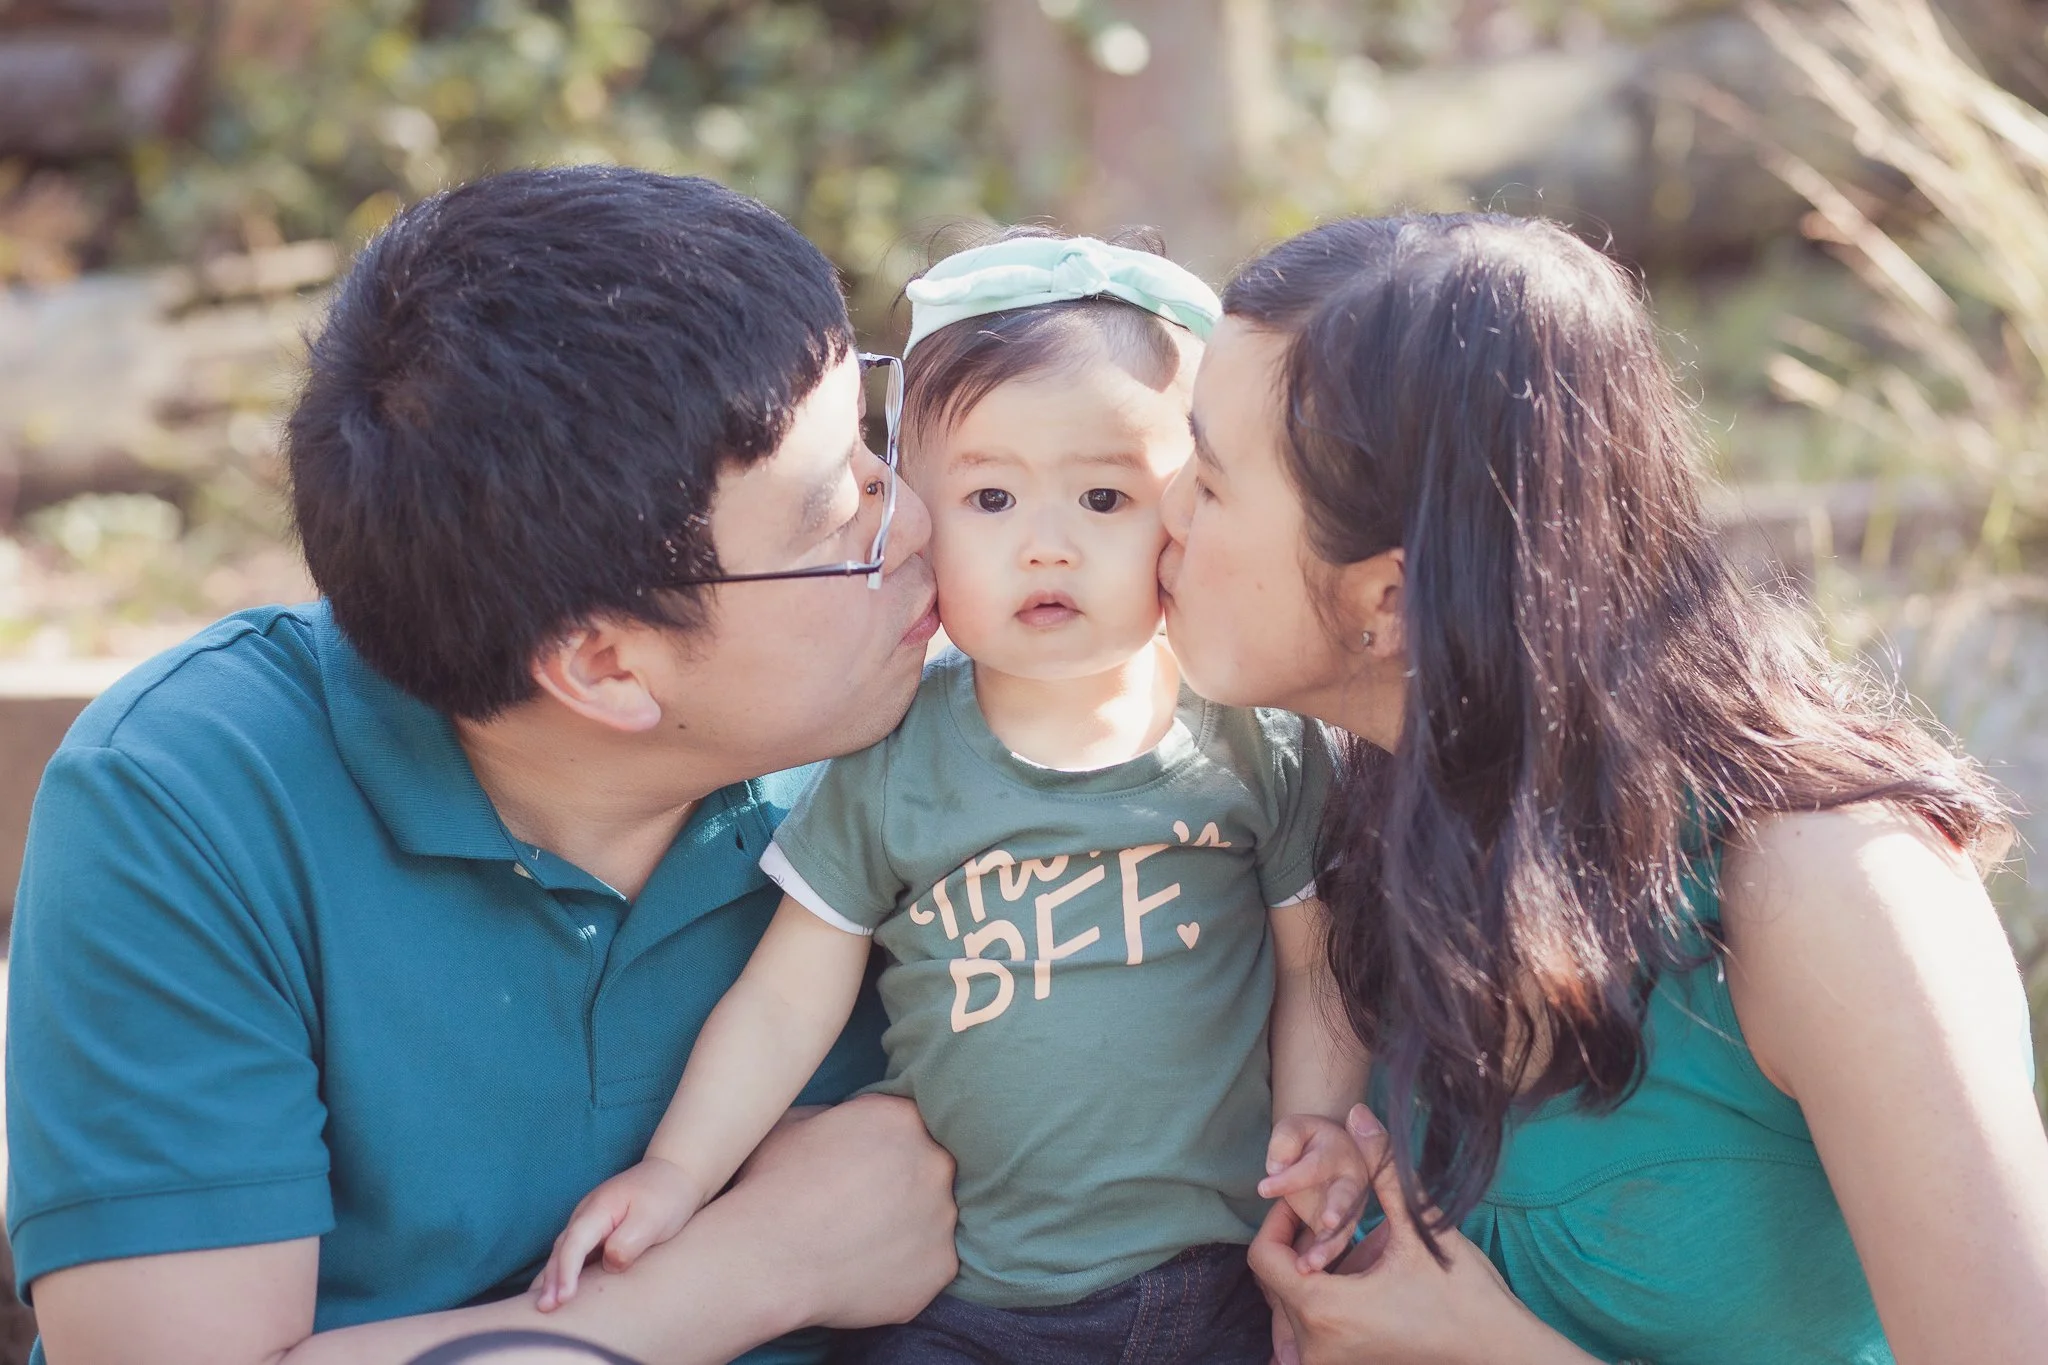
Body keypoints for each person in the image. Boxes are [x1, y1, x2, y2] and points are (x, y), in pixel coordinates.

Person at [4, 166, 959, 1365]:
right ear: (604, 665)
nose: (915, 519)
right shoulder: (190, 800)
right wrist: (762, 1267)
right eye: (840, 515)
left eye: (874, 441)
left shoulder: (950, 728)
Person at [1157, 212, 2048, 1364]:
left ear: (1388, 601)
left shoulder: (1828, 892)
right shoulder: (1359, 818)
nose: (1162, 505)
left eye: (1213, 485)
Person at [529, 231, 1372, 1361]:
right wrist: (680, 1174)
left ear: (1184, 514)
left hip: (1215, 1279)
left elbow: (1311, 962)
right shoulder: (889, 753)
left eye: (1104, 496)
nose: (1045, 547)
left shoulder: (1250, 742)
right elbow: (786, 999)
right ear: (911, 521)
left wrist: (1315, 1132)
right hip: (967, 1304)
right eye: (987, 497)